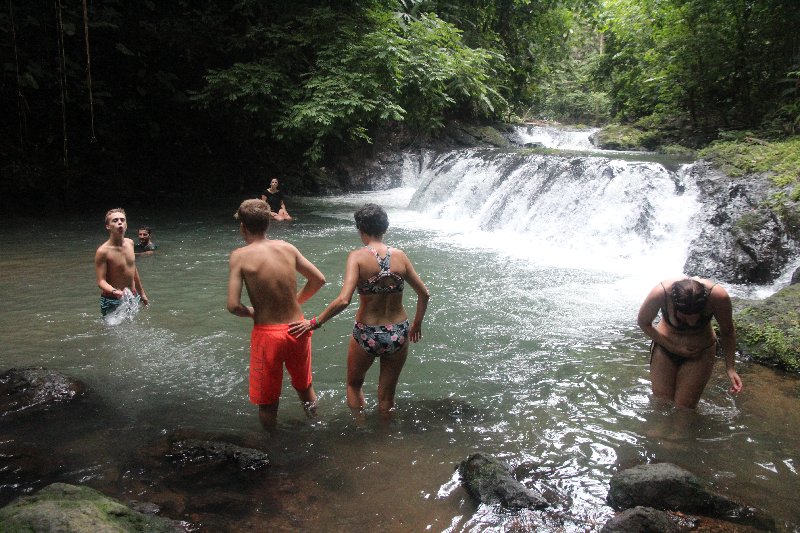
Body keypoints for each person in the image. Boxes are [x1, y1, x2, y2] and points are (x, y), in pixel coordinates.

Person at [289, 203, 429, 418]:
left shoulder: (357, 257)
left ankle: (360, 431)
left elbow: (344, 300)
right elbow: (424, 294)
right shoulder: (400, 256)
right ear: (385, 228)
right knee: (387, 396)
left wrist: (314, 322)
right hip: (398, 331)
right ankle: (384, 439)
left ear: (361, 230)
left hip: (368, 332)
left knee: (354, 385)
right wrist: (417, 324)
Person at [227, 198, 326, 430]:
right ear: (268, 224)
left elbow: (233, 305)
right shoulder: (287, 248)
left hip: (268, 335)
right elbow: (318, 280)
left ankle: (272, 447)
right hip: (297, 328)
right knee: (305, 388)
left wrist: (253, 312)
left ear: (242, 227)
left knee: (268, 401)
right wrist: (295, 301)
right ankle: (317, 426)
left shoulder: (239, 256)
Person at [637, 276, 743, 408]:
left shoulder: (717, 296)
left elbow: (728, 332)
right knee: (660, 404)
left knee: (685, 408)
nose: (691, 323)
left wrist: (730, 368)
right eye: (684, 319)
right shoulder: (662, 293)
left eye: (696, 319)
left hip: (700, 353)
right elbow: (643, 322)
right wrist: (673, 347)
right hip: (665, 350)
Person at [94, 208, 149, 317]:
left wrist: (142, 293)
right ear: (108, 226)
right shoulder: (103, 251)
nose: (120, 222)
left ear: (126, 225)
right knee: (111, 332)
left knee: (130, 329)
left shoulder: (130, 243)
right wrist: (115, 291)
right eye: (115, 220)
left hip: (132, 296)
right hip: (112, 299)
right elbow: (101, 281)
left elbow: (133, 270)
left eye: (122, 220)